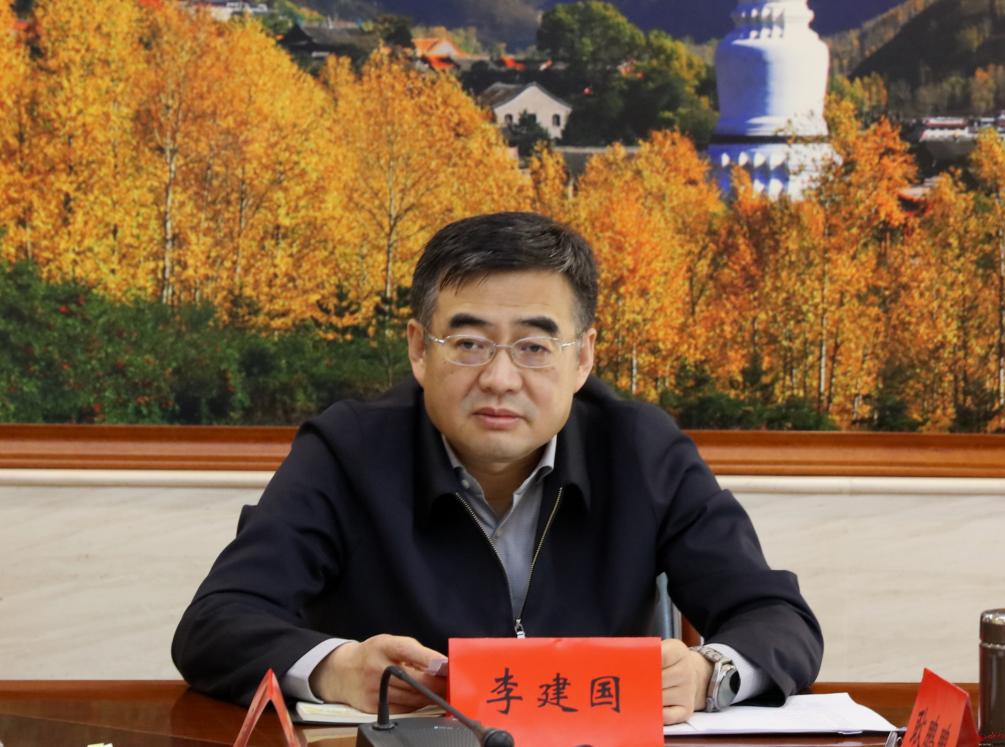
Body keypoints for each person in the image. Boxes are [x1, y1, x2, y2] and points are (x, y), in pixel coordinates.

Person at [172, 211, 822, 724]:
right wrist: (338, 668)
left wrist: (709, 674)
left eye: (535, 347)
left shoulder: (642, 449)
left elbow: (778, 617)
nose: (500, 378)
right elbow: (216, 622)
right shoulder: (348, 451)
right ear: (419, 349)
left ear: (583, 358)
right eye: (469, 343)